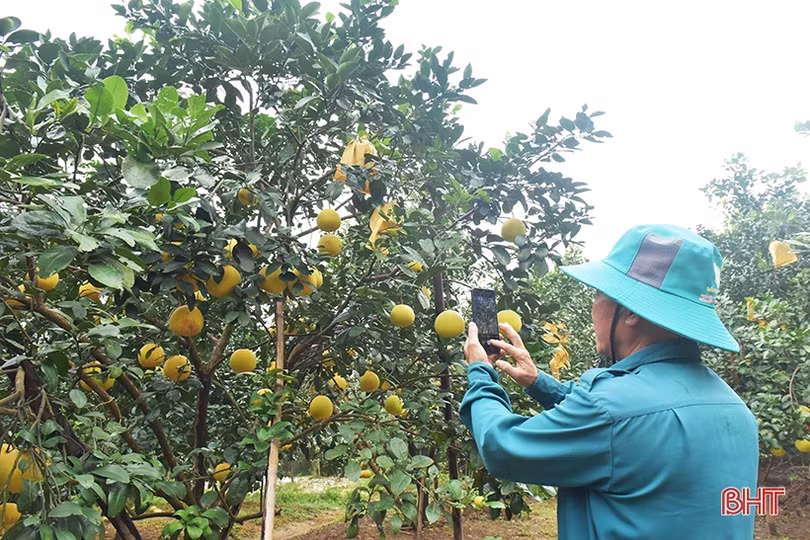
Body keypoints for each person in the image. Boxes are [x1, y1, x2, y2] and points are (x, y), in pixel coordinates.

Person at [460, 224, 759, 540]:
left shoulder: (612, 410)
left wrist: (481, 372)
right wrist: (538, 382)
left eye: (599, 294)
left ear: (629, 312)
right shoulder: (737, 411)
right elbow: (625, 431)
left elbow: (501, 447)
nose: (594, 308)